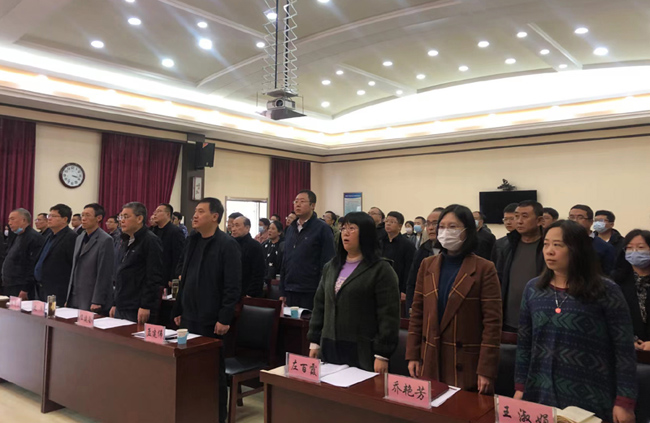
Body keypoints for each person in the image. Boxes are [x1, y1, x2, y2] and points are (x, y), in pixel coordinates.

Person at [515, 220, 637, 423]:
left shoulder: (605, 290)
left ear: (578, 249)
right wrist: (520, 387)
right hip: (540, 390)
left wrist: (625, 401)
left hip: (592, 393)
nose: (549, 251)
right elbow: (525, 343)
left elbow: (624, 349)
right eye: (546, 244)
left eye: (558, 245)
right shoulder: (533, 289)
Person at [406, 204, 502, 392]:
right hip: (430, 356)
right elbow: (417, 313)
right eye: (442, 227)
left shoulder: (484, 268)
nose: (445, 232)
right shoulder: (427, 265)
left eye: (453, 227)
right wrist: (413, 355)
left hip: (466, 362)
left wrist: (486, 370)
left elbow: (492, 324)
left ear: (467, 231)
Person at [172, 197, 241, 423]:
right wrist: (178, 309)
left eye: (201, 211)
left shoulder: (227, 244)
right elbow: (184, 278)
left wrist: (225, 317)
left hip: (212, 319)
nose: (195, 215)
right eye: (195, 211)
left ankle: (217, 416)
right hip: (189, 316)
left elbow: (232, 286)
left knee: (212, 371)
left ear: (215, 216)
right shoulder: (192, 240)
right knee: (189, 367)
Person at [308, 212, 400, 373]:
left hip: (362, 349)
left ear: (366, 234)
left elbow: (388, 315)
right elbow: (320, 305)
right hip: (330, 345)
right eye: (343, 228)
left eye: (352, 228)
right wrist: (314, 341)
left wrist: (382, 354)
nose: (346, 233)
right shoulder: (331, 267)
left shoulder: (381, 269)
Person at [495, 200, 545, 332]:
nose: (519, 221)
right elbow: (499, 280)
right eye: (516, 216)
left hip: (540, 318)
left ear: (539, 220)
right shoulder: (505, 246)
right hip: (509, 320)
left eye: (525, 216)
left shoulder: (547, 247)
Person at [280, 190, 335, 309]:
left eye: (302, 201)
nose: (297, 204)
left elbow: (328, 262)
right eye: (296, 201)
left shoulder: (322, 228)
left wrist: (322, 290)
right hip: (290, 289)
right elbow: (285, 260)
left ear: (312, 205)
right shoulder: (291, 229)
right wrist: (282, 290)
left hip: (311, 290)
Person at [110, 202, 163, 323]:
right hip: (122, 303)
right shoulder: (124, 239)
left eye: (126, 217)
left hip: (137, 307)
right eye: (120, 217)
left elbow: (153, 277)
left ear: (139, 219)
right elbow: (120, 274)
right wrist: (115, 303)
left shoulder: (150, 240)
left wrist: (145, 305)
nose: (122, 221)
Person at [66, 203, 115, 312]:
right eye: (82, 215)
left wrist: (97, 300)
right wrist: (68, 296)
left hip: (91, 296)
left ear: (99, 218)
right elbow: (74, 267)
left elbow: (104, 273)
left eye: (87, 215)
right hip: (75, 295)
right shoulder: (79, 238)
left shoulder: (105, 240)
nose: (83, 219)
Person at [613, 229, 650, 351]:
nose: (634, 252)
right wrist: (628, 340)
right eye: (629, 248)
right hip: (626, 348)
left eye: (641, 247)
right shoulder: (615, 282)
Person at [33, 204, 77, 305]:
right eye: (49, 215)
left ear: (64, 219)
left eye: (53, 216)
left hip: (58, 290)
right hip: (41, 288)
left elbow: (72, 265)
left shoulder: (71, 237)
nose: (49, 219)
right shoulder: (50, 236)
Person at [405, 207, 444, 313]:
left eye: (435, 223)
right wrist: (411, 307)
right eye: (428, 224)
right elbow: (412, 281)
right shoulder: (423, 249)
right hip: (426, 306)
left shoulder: (455, 251)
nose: (430, 228)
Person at [1, 209, 44, 299]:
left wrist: (25, 288)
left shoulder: (33, 237)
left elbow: (32, 265)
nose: (9, 223)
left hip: (21, 286)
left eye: (12, 219)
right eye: (9, 220)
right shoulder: (16, 236)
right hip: (10, 284)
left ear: (23, 220)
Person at [568, 205, 616, 275]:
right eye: (571, 217)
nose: (575, 221)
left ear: (591, 222)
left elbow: (607, 274)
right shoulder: (561, 242)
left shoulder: (604, 247)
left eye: (580, 217)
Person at [381, 211, 415, 300]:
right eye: (387, 221)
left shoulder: (407, 245)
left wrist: (405, 290)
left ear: (400, 226)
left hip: (398, 286)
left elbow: (409, 269)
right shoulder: (380, 242)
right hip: (381, 284)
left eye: (392, 222)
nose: (388, 224)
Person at [152, 203, 186, 287]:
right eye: (155, 211)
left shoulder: (175, 232)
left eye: (159, 211)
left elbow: (178, 256)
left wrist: (173, 277)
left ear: (168, 214)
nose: (155, 214)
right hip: (153, 276)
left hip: (167, 277)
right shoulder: (153, 231)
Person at [231, 216, 265, 297]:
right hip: (231, 292)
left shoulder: (255, 246)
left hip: (247, 294)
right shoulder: (229, 245)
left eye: (237, 225)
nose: (233, 229)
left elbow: (258, 273)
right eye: (233, 226)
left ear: (247, 228)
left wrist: (250, 293)